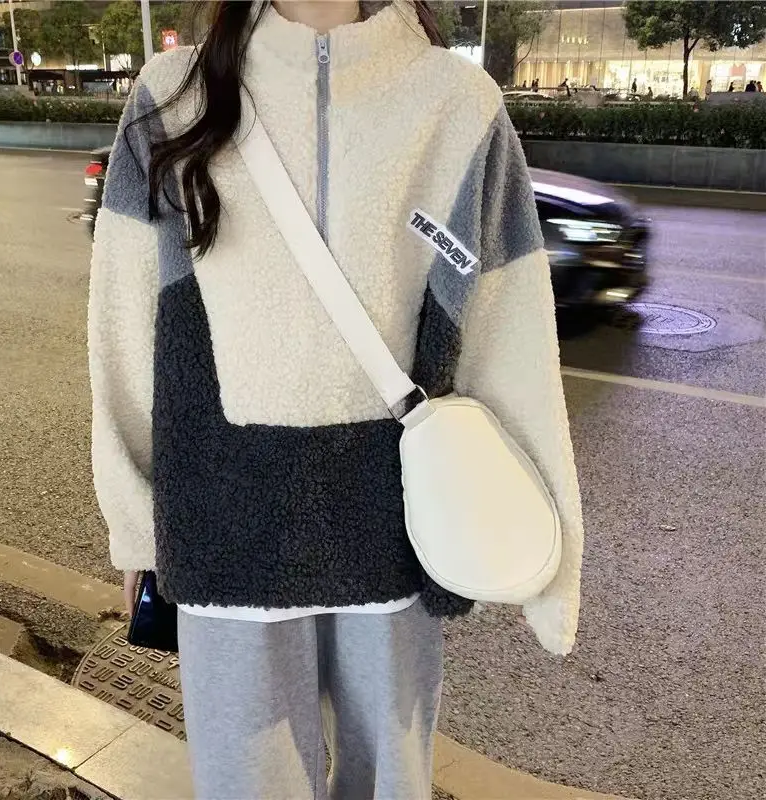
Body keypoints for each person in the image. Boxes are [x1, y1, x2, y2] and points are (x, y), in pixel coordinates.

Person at [88, 1, 583, 797]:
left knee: (390, 784)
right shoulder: (173, 97)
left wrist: (551, 565)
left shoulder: (456, 105)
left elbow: (509, 332)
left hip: (393, 526)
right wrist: (136, 527)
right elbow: (126, 321)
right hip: (224, 526)